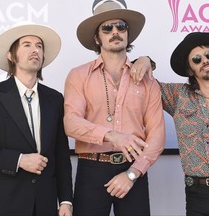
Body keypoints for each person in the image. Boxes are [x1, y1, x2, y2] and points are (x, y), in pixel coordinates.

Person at [131, 32, 209, 215]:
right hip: (196, 195)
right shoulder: (178, 96)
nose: (204, 61)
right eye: (197, 59)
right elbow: (143, 81)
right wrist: (145, 60)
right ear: (190, 69)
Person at [63, 0, 165, 215]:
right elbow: (71, 123)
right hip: (92, 168)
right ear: (96, 37)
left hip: (133, 169)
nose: (115, 32)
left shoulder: (148, 80)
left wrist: (132, 173)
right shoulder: (78, 75)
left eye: (121, 26)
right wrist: (113, 136)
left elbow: (157, 134)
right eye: (107, 28)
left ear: (128, 33)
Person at [0, 23, 73, 216]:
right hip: (3, 203)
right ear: (11, 55)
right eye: (26, 45)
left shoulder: (55, 98)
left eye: (39, 46)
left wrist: (66, 201)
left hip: (44, 204)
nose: (35, 50)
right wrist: (19, 160)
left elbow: (61, 154)